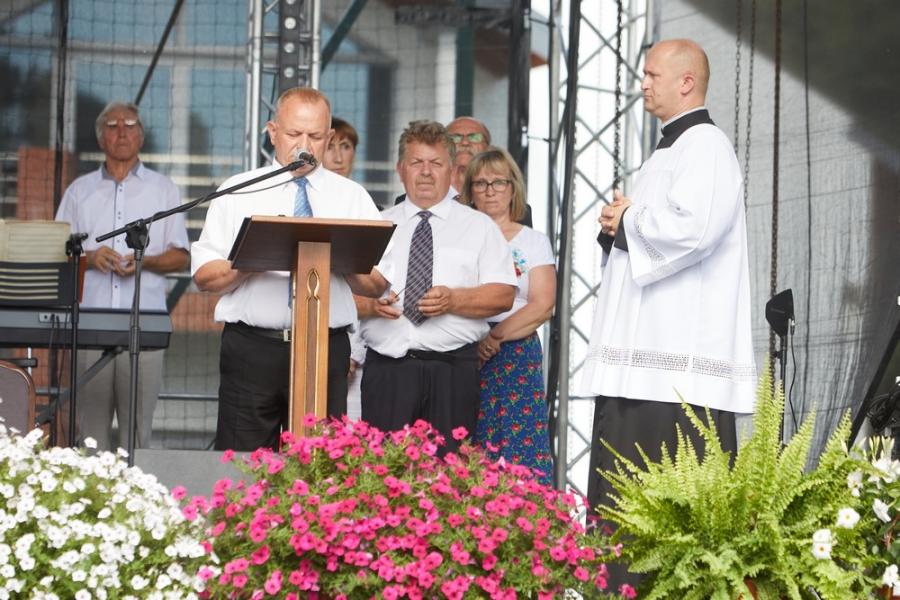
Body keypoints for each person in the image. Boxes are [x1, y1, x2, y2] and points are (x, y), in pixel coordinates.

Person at [582, 39, 756, 522]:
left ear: (686, 82)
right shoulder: (669, 151)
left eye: (652, 75)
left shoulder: (707, 146)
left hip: (676, 368)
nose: (643, 84)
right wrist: (618, 226)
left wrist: (629, 219)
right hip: (642, 362)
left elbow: (695, 229)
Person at [191, 87, 386, 452]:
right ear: (273, 132)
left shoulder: (352, 197)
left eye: (315, 136)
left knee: (320, 465)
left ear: (329, 137)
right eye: (295, 133)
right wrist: (252, 257)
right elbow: (204, 277)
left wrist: (340, 254)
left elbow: (377, 285)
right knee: (243, 465)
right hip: (253, 349)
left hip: (324, 349)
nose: (304, 145)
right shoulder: (238, 190)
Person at [358, 120, 517, 454]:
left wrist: (453, 300)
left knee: (450, 473)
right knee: (382, 471)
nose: (426, 172)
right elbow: (342, 296)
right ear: (400, 169)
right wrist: (371, 306)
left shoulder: (480, 227)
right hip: (388, 370)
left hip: (452, 373)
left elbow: (503, 295)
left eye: (436, 163)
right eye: (417, 162)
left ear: (452, 169)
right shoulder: (375, 225)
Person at [55, 101, 190, 451]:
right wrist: (89, 257)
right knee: (89, 435)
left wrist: (144, 262)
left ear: (141, 136)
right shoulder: (79, 191)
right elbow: (56, 252)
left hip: (144, 323)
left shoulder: (163, 189)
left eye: (130, 125)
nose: (122, 132)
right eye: (112, 126)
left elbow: (181, 256)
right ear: (101, 138)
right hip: (89, 323)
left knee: (138, 433)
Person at [461, 147, 556, 484]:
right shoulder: (459, 237)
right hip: (465, 347)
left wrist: (495, 337)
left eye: (498, 182)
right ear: (470, 191)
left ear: (513, 188)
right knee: (469, 441)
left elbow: (542, 305)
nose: (490, 191)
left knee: (521, 445)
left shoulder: (534, 241)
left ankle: (528, 512)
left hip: (516, 349)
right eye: (481, 183)